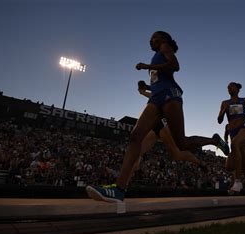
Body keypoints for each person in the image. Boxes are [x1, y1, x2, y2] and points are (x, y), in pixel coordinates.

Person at [86, 31, 229, 203]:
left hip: (170, 95)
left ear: (162, 39)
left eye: (154, 37)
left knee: (181, 143)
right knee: (135, 137)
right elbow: (159, 80)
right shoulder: (156, 56)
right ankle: (119, 189)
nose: (150, 40)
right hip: (156, 98)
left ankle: (214, 141)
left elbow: (175, 66)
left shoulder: (164, 47)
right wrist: (145, 86)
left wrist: (147, 67)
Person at [218, 82, 245, 193]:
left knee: (236, 145)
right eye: (227, 87)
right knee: (233, 166)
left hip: (243, 128)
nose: (228, 88)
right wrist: (223, 111)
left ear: (237, 89)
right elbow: (219, 120)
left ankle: (237, 182)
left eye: (231, 86)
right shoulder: (225, 103)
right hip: (233, 132)